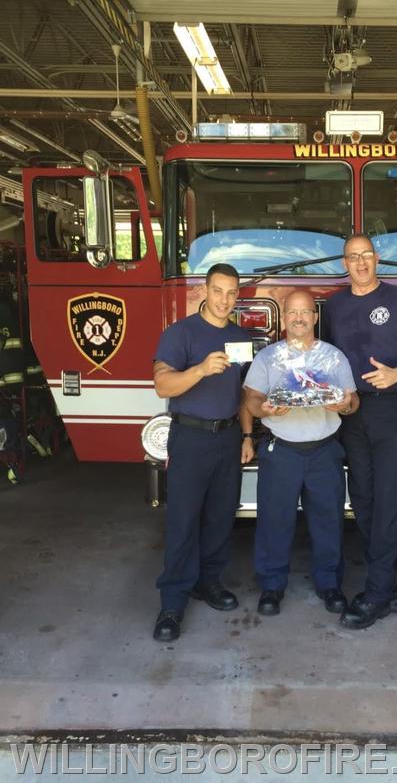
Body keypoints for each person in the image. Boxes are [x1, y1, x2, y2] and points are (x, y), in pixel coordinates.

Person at [322, 234, 397, 629]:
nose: (361, 263)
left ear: (377, 258)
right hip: (351, 412)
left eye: (366, 255)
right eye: (353, 257)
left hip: (391, 409)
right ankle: (385, 580)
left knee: (389, 498)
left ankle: (378, 593)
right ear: (345, 264)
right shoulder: (333, 306)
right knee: (365, 499)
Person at [152, 263, 254, 642]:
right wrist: (200, 370)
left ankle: (208, 583)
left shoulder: (241, 337)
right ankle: (172, 603)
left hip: (228, 438)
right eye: (218, 291)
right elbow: (163, 385)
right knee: (182, 522)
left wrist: (246, 435)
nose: (225, 299)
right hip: (191, 437)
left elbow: (243, 394)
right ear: (204, 291)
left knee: (219, 518)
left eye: (231, 293)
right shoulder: (180, 333)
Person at [243, 291, 359, 617]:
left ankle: (330, 585)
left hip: (324, 450)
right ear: (283, 319)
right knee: (274, 522)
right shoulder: (268, 358)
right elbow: (251, 399)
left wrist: (345, 405)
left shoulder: (334, 358)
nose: (298, 318)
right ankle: (271, 585)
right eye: (292, 312)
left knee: (328, 522)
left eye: (305, 312)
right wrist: (263, 408)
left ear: (314, 317)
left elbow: (353, 401)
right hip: (282, 450)